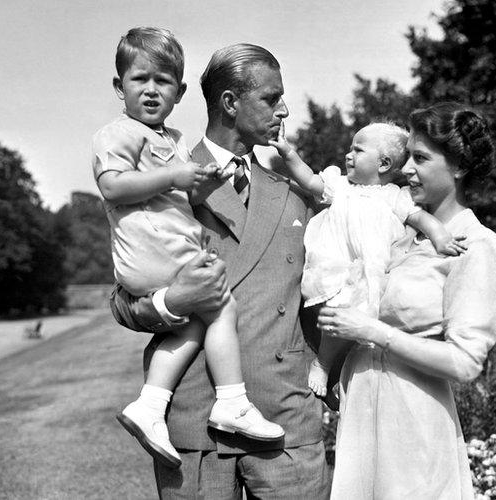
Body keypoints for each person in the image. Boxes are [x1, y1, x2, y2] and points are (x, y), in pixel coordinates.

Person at [110, 43, 331, 499]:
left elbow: (317, 294)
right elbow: (121, 299)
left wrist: (326, 373)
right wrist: (172, 302)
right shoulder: (159, 180)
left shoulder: (294, 192)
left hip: (285, 420)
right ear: (230, 103)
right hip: (195, 420)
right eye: (271, 99)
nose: (284, 109)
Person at [92, 28, 283, 469]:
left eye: (163, 82)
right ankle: (231, 400)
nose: (151, 90)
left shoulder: (174, 143)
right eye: (140, 80)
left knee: (198, 321)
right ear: (119, 87)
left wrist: (204, 184)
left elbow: (185, 200)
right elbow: (113, 187)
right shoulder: (117, 135)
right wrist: (175, 177)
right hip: (153, 256)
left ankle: (150, 404)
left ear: (179, 93)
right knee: (220, 306)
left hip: (169, 251)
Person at [317, 102, 496, 499]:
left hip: (414, 425)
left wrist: (372, 331)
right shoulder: (395, 233)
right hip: (360, 416)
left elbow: (464, 361)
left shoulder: (477, 247)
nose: (406, 169)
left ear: (458, 166)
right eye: (407, 157)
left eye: (420, 158)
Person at [269, 121, 466, 400]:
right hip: (337, 266)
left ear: (384, 164)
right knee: (337, 314)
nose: (348, 155)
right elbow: (310, 180)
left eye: (358, 150)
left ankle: (335, 375)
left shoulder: (394, 197)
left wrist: (440, 236)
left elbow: (420, 218)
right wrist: (288, 153)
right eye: (350, 149)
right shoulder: (340, 186)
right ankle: (322, 364)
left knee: (358, 328)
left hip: (371, 273)